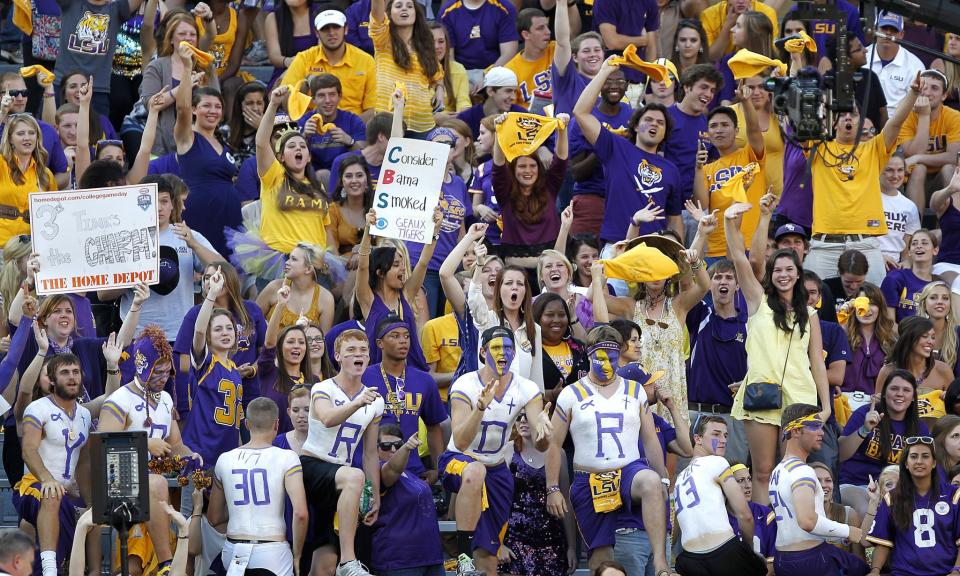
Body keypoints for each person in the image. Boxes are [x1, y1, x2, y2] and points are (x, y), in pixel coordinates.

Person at [725, 202, 832, 505]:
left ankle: (793, 530)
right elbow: (738, 259)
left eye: (789, 270)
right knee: (762, 471)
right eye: (777, 271)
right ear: (770, 275)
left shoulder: (810, 313)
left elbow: (817, 363)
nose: (783, 275)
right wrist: (729, 222)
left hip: (800, 397)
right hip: (763, 393)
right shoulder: (757, 301)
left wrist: (825, 407)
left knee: (795, 470)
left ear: (799, 275)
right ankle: (763, 539)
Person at [545, 325, 670, 575]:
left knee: (650, 481)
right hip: (590, 480)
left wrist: (663, 478)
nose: (606, 364)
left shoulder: (634, 390)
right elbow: (554, 444)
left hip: (628, 472)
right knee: (600, 562)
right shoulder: (571, 394)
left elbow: (650, 440)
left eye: (611, 358)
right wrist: (553, 488)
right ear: (589, 355)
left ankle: (660, 561)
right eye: (599, 358)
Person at [441, 326, 551, 576]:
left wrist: (546, 433)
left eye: (509, 348)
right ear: (483, 352)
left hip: (497, 470)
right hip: (457, 462)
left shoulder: (527, 388)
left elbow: (540, 442)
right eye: (497, 347)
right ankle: (463, 556)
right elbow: (459, 441)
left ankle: (476, 560)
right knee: (475, 470)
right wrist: (480, 408)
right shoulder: (465, 384)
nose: (504, 353)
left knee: (490, 557)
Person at [804, 68, 921, 288]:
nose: (848, 117)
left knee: (877, 302)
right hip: (824, 246)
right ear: (832, 120)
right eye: (842, 113)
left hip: (865, 244)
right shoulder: (817, 147)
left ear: (861, 119)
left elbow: (895, 123)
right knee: (812, 306)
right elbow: (803, 111)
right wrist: (797, 62)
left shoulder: (873, 148)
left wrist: (913, 94)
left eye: (854, 113)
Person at [98, 328, 197, 576]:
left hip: (155, 484)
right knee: (157, 484)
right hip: (118, 482)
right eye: (157, 371)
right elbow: (103, 447)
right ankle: (166, 564)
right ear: (142, 366)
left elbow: (175, 444)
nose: (164, 377)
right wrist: (144, 444)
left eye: (167, 371)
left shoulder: (165, 399)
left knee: (173, 483)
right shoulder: (119, 399)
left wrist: (188, 455)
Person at [300, 329, 382, 576]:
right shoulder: (323, 388)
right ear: (337, 356)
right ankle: (349, 562)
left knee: (325, 558)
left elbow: (369, 453)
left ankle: (343, 560)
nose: (358, 355)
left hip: (340, 480)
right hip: (313, 467)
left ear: (369, 358)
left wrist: (374, 495)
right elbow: (326, 418)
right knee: (354, 476)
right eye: (351, 350)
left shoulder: (375, 400)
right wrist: (356, 402)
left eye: (363, 351)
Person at [572, 58, 682, 244]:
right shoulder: (616, 147)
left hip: (654, 250)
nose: (654, 123)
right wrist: (604, 72)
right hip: (616, 246)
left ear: (665, 134)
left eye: (660, 122)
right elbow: (581, 112)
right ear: (636, 126)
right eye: (648, 120)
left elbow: (675, 219)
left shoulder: (671, 170)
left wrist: (678, 254)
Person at [208, 397, 308, 576]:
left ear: (246, 424)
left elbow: (214, 518)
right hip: (272, 552)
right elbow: (300, 514)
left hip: (233, 550)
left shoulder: (225, 459)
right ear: (277, 424)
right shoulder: (288, 457)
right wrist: (297, 556)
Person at [768, 404, 868, 576]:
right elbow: (807, 521)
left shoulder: (778, 470)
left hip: (784, 559)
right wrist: (848, 530)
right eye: (814, 425)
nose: (821, 432)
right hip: (809, 559)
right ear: (796, 431)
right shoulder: (802, 471)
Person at [19, 354, 93, 576]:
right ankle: (49, 571)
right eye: (64, 373)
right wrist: (47, 478)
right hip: (34, 486)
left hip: (66, 493)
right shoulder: (36, 408)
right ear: (51, 380)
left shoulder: (85, 414)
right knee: (52, 494)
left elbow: (84, 462)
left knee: (93, 512)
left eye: (75, 372)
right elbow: (28, 450)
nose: (72, 378)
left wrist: (90, 502)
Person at [674, 416, 767, 575]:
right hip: (724, 552)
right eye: (716, 434)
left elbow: (675, 529)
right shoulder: (717, 462)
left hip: (689, 559)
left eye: (725, 435)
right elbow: (745, 515)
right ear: (698, 439)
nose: (723, 440)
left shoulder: (679, 478)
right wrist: (749, 551)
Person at [172, 43, 239, 259]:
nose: (213, 111)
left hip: (229, 221)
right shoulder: (187, 138)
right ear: (194, 110)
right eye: (206, 106)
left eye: (217, 106)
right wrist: (186, 66)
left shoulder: (223, 142)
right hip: (200, 217)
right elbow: (181, 108)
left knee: (229, 282)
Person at [361, 315, 447, 483]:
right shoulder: (364, 377)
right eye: (395, 336)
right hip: (372, 468)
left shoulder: (424, 380)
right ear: (380, 343)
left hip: (413, 470)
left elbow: (434, 427)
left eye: (406, 336)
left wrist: (438, 470)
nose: (403, 341)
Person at [864, 436, 960, 576]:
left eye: (925, 456)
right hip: (904, 573)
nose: (919, 461)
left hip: (945, 572)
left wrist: (957, 571)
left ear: (934, 463)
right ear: (906, 464)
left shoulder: (954, 496)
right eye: (913, 456)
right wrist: (875, 570)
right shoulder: (892, 498)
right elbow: (883, 542)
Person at [356, 208, 438, 371]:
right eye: (395, 265)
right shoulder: (367, 299)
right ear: (380, 272)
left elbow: (422, 263)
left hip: (411, 373)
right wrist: (367, 230)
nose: (403, 269)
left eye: (402, 264)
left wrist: (434, 231)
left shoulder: (406, 294)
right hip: (379, 376)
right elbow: (363, 266)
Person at [685, 259, 750, 464]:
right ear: (709, 283)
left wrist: (748, 383)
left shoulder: (750, 323)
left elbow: (762, 367)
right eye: (717, 277)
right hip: (696, 413)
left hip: (733, 416)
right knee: (689, 478)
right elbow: (686, 282)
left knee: (735, 478)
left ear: (737, 285)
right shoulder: (699, 314)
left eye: (729, 277)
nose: (724, 282)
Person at [839, 370, 928, 517]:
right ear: (885, 394)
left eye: (906, 390)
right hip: (856, 483)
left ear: (913, 397)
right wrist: (865, 429)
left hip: (896, 488)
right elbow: (841, 453)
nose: (900, 394)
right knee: (865, 508)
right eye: (894, 389)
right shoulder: (864, 413)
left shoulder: (919, 427)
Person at [139, 9, 220, 156]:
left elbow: (217, 106)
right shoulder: (157, 66)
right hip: (162, 146)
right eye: (182, 34)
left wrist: (202, 91)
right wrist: (185, 86)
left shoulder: (206, 67)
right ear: (171, 39)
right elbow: (151, 104)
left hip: (199, 144)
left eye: (192, 34)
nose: (188, 38)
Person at [695, 94, 766, 262]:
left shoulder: (751, 155)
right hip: (716, 249)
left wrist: (746, 101)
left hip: (748, 246)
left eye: (725, 125)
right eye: (713, 126)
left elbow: (754, 129)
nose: (719, 130)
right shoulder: (706, 169)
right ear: (708, 134)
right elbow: (702, 204)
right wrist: (697, 168)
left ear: (736, 131)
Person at [370, 424, 445, 576]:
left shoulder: (410, 475)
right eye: (385, 446)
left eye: (397, 445)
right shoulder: (377, 473)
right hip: (399, 561)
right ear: (374, 449)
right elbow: (392, 469)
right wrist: (406, 448)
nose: (392, 450)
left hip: (431, 557)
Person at [54, 0, 145, 117]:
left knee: (98, 134)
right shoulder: (71, 3)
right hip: (64, 84)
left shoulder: (117, 7)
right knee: (55, 129)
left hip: (98, 89)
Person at [280, 10, 377, 119]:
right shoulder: (304, 59)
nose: (331, 32)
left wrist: (351, 127)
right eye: (325, 28)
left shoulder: (366, 61)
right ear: (316, 32)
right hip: (311, 128)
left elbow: (374, 109)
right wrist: (305, 84)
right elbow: (287, 105)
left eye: (336, 26)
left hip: (354, 129)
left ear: (345, 29)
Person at [370, 0, 443, 135]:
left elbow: (437, 76)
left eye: (409, 6)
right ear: (389, 14)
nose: (404, 9)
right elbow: (376, 11)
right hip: (388, 121)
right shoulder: (383, 40)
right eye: (398, 6)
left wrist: (439, 90)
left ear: (416, 14)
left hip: (423, 125)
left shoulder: (425, 46)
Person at [898, 69, 960, 210]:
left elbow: (952, 157)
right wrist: (924, 115)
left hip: (942, 180)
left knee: (948, 169)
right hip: (911, 180)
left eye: (934, 88)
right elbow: (912, 153)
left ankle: (947, 227)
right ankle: (916, 229)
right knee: (919, 169)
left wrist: (918, 158)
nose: (927, 92)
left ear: (944, 96)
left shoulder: (954, 117)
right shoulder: (906, 115)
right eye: (923, 87)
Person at [0, 113, 57, 247]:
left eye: (31, 133)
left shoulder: (45, 174)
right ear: (10, 139)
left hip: (31, 249)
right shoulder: (2, 164)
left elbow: (54, 214)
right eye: (20, 133)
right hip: (2, 245)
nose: (27, 137)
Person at [439, 0, 519, 83]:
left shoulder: (504, 8)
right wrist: (463, 81)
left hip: (496, 69)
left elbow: (509, 53)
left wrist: (487, 76)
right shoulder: (447, 12)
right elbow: (449, 58)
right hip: (460, 72)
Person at [864, 11, 926, 112]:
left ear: (901, 34)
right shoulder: (862, 56)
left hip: (898, 123)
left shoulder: (915, 65)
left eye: (894, 30)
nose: (888, 33)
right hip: (861, 120)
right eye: (884, 28)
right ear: (875, 30)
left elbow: (915, 108)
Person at [594, 0, 659, 96]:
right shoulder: (604, 2)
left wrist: (649, 85)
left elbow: (652, 46)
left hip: (638, 82)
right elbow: (612, 42)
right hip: (607, 81)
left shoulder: (650, 2)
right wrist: (643, 40)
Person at [840, 283, 895, 396]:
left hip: (877, 405)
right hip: (843, 401)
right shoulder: (841, 335)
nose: (867, 309)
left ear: (880, 308)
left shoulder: (892, 340)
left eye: (873, 304)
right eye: (863, 304)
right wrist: (842, 320)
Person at [880, 229, 937, 322]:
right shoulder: (894, 278)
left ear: (935, 250)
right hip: (900, 335)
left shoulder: (938, 284)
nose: (919, 246)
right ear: (909, 252)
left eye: (924, 243)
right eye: (914, 243)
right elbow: (888, 323)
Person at [504, 8, 555, 111]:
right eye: (541, 28)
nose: (548, 32)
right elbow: (510, 110)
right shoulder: (510, 70)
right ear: (526, 34)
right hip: (530, 122)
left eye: (547, 27)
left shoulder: (556, 49)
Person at [700, 0, 779, 61]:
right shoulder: (708, 15)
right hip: (722, 66)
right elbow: (711, 58)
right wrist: (727, 26)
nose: (741, 1)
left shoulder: (767, 12)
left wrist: (751, 23)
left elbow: (769, 53)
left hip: (757, 63)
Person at [264, 0, 318, 88]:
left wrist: (300, 63)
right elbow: (274, 56)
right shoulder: (273, 17)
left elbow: (323, 51)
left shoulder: (319, 14)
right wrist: (288, 61)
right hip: (285, 69)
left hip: (315, 70)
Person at [878, 154, 921, 266]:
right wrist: (876, 257)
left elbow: (906, 250)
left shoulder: (909, 206)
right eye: (889, 170)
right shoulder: (865, 198)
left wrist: (906, 264)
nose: (896, 175)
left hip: (895, 265)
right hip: (868, 259)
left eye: (900, 170)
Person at [916, 281, 959, 376]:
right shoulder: (913, 333)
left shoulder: (958, 333)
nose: (940, 302)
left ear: (950, 304)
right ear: (924, 304)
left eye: (945, 298)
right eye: (933, 297)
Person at [430, 22, 470, 116]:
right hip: (425, 124)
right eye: (431, 41)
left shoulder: (458, 69)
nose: (436, 46)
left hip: (452, 123)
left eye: (441, 41)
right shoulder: (415, 70)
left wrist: (461, 115)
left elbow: (463, 102)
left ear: (447, 44)